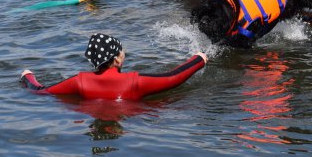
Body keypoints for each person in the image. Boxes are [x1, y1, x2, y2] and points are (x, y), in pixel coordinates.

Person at [19, 33, 207, 100]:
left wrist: (27, 76)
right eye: (122, 51)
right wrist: (198, 59)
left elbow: (41, 91)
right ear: (117, 60)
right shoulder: (134, 81)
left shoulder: (80, 82)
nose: (124, 53)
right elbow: (172, 78)